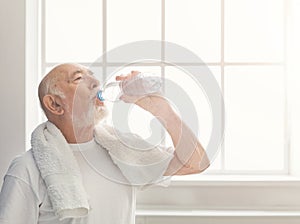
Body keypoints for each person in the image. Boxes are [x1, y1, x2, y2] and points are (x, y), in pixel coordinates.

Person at [0, 63, 209, 224]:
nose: (95, 82)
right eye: (79, 78)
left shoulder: (123, 153)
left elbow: (196, 162)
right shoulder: (27, 169)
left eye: (92, 76)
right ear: (54, 104)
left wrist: (162, 109)